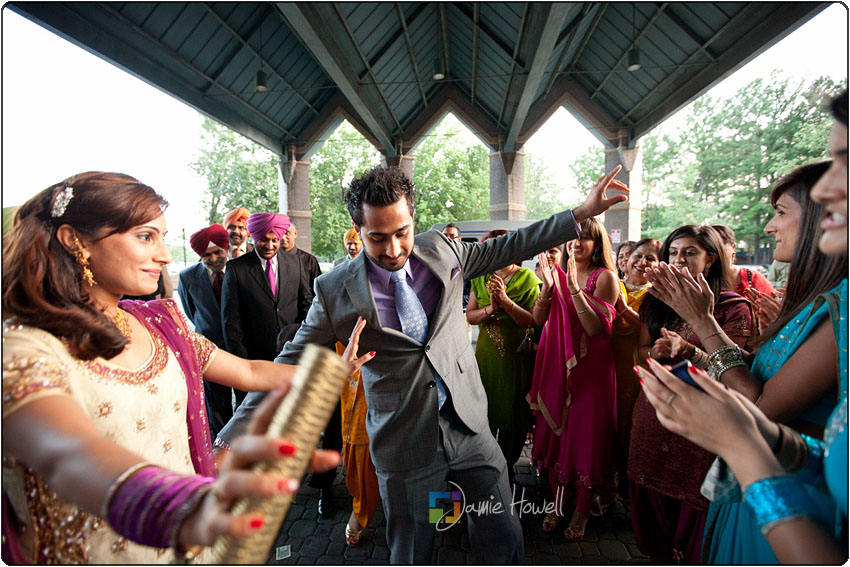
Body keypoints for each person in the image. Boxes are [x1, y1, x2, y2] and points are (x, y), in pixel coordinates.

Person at [217, 165, 628, 564]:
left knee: (499, 531)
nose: (393, 250)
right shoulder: (334, 290)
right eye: (377, 238)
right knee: (417, 543)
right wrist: (229, 439)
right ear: (358, 230)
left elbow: (510, 245)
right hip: (405, 443)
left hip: (469, 428)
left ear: (414, 217)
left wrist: (578, 214)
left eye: (401, 233)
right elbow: (290, 359)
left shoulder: (443, 250)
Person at [0, 172, 348, 564]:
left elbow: (250, 373)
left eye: (162, 238)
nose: (165, 255)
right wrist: (181, 504)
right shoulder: (23, 348)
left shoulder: (159, 324)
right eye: (145, 237)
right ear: (74, 240)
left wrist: (335, 371)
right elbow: (68, 454)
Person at [635, 92, 847, 563]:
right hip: (772, 486)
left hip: (792, 512)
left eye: (781, 212)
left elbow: (761, 404)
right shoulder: (818, 303)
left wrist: (702, 322)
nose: (770, 227)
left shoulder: (841, 308)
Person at [629, 225, 756, 563]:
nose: (679, 259)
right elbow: (643, 349)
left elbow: (735, 377)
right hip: (653, 414)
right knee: (651, 514)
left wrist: (689, 350)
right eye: (673, 252)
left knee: (693, 519)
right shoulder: (657, 300)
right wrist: (654, 353)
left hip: (701, 425)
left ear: (711, 259)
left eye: (690, 252)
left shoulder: (732, 308)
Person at [528, 217, 620, 541]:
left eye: (585, 239)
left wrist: (575, 291)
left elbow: (596, 329)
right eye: (572, 239)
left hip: (591, 373)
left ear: (598, 244)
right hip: (556, 367)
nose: (577, 245)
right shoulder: (557, 274)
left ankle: (581, 510)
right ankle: (557, 504)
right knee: (558, 437)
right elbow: (539, 319)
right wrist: (549, 288)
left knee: (584, 441)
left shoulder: (605, 278)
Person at [465, 230, 540, 480]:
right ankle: (487, 468)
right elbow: (470, 316)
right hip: (486, 357)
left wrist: (506, 302)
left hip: (516, 358)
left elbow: (531, 321)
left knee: (513, 415)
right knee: (485, 415)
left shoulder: (527, 278)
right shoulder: (480, 276)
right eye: (492, 249)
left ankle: (506, 470)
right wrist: (490, 308)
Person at [220, 213, 314, 411]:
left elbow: (307, 305)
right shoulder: (237, 269)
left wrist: (300, 345)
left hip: (289, 356)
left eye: (274, 240)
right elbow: (231, 323)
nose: (270, 245)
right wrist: (243, 366)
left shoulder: (295, 263)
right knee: (254, 417)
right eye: (264, 240)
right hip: (254, 361)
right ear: (254, 238)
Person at [610, 238, 661, 487]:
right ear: (626, 260)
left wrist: (620, 306)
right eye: (637, 256)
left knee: (628, 422)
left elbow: (648, 331)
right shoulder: (612, 284)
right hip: (606, 361)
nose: (641, 262)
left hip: (634, 365)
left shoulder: (657, 296)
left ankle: (626, 482)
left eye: (650, 258)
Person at [178, 224, 235, 439]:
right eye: (207, 255)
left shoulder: (239, 270)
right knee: (216, 403)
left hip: (240, 347)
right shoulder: (187, 277)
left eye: (217, 252)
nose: (213, 259)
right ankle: (221, 443)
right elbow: (191, 312)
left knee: (245, 399)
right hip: (209, 348)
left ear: (226, 249)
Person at [334, 320, 380, 547]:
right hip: (349, 355)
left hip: (397, 356)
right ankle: (362, 503)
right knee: (358, 435)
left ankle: (364, 510)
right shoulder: (331, 289)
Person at [711, 224, 774, 297]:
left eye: (720, 249)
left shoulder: (755, 279)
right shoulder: (698, 280)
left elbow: (771, 305)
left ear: (733, 247)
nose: (714, 256)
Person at [281, 221, 322, 292]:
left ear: (295, 233)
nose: (283, 237)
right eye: (279, 233)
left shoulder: (310, 260)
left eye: (287, 233)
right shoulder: (270, 260)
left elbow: (318, 290)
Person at [443, 223, 471, 309]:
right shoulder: (434, 259)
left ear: (459, 239)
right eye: (444, 236)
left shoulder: (467, 260)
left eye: (452, 236)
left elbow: (471, 292)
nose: (447, 239)